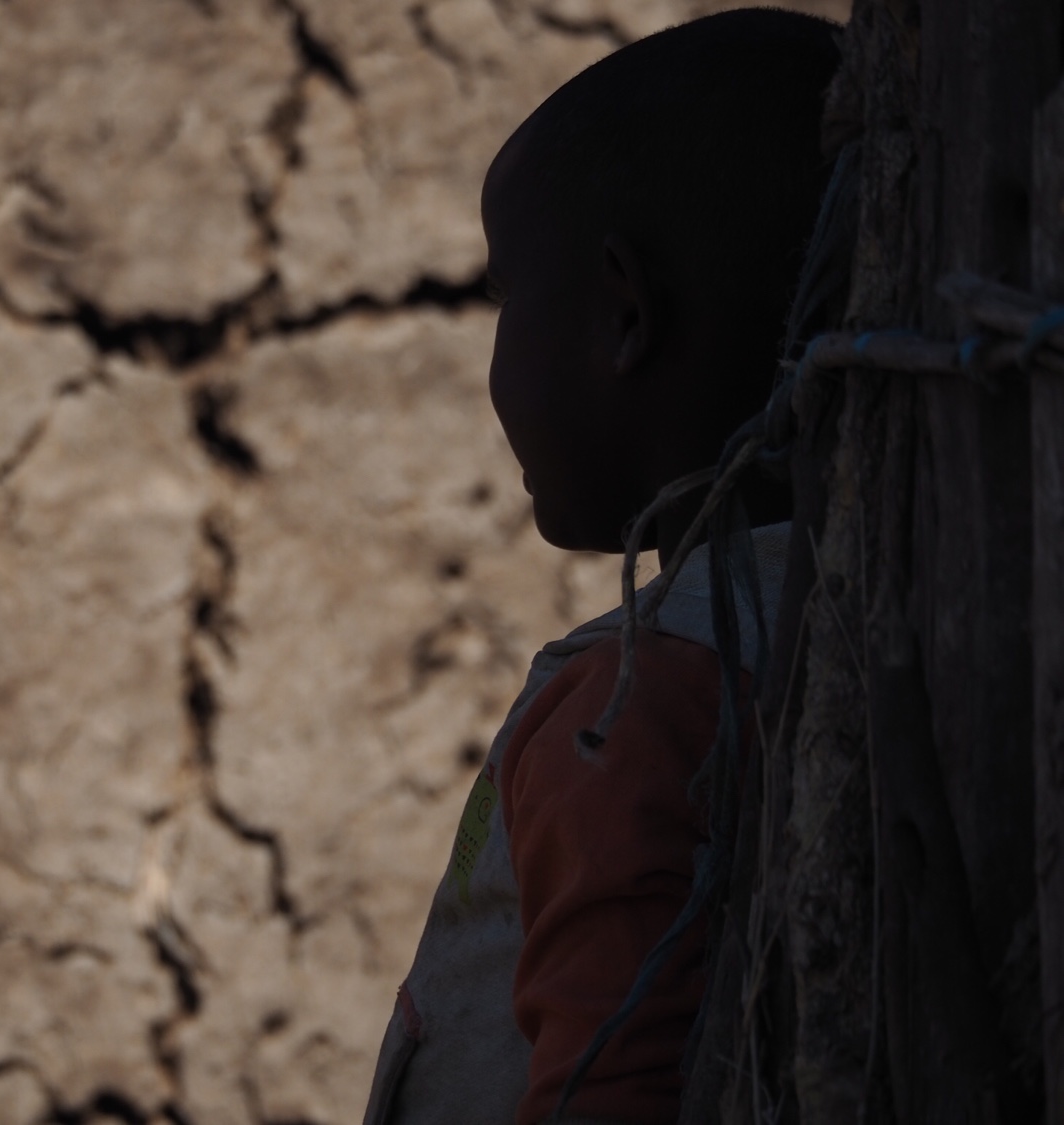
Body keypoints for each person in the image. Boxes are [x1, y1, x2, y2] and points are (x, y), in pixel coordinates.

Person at [361, 10, 841, 1125]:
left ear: (625, 312)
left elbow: (611, 1086)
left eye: (505, 300)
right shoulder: (850, 608)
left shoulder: (631, 708)